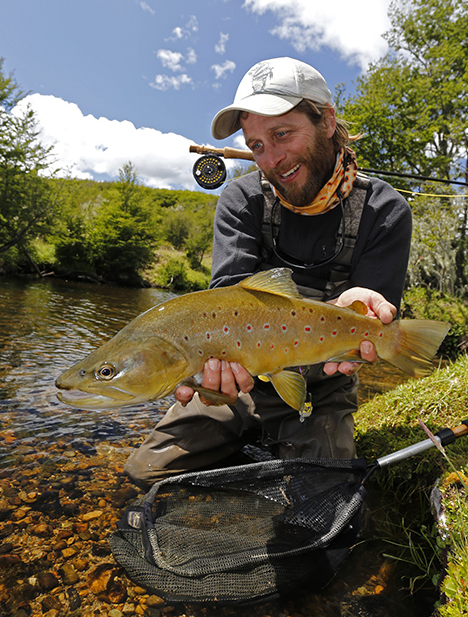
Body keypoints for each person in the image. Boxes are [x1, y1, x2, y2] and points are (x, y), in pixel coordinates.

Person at [124, 57, 412, 487]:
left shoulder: (383, 211)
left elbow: (373, 314)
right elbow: (220, 306)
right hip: (238, 383)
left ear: (327, 121)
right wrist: (209, 380)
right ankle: (253, 446)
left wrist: (365, 315)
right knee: (147, 475)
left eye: (281, 134)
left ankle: (274, 448)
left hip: (323, 386)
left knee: (324, 494)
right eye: (257, 145)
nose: (271, 158)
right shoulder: (241, 200)